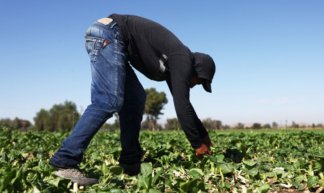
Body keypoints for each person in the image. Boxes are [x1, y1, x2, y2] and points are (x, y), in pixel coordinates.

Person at [49, 14, 216, 185]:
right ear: (198, 70)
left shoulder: (175, 64)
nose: (195, 85)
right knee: (108, 99)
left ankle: (130, 162)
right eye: (200, 82)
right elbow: (182, 106)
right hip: (109, 33)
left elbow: (183, 102)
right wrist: (197, 143)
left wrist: (203, 135)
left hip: (113, 39)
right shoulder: (183, 58)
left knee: (135, 98)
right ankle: (65, 160)